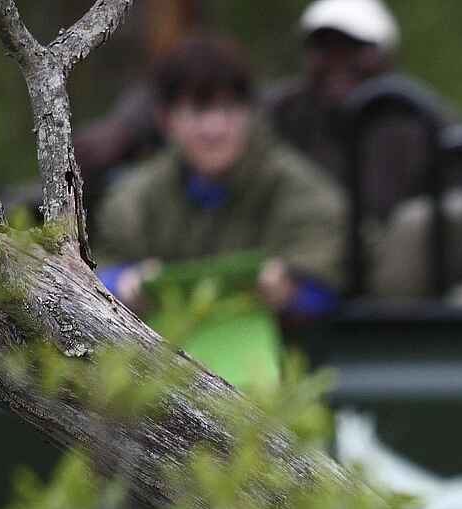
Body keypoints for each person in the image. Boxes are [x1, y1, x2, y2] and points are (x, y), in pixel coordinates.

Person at [95, 33, 351, 321]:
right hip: (155, 354)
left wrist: (290, 291)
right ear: (165, 119)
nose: (215, 128)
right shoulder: (133, 198)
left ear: (251, 113)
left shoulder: (305, 191)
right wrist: (123, 284)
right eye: (198, 110)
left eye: (229, 109)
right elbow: (95, 273)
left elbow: (330, 286)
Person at [262, 0, 462, 265]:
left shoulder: (424, 120)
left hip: (396, 276)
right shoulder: (282, 114)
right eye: (324, 48)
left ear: (386, 54)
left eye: (355, 48)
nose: (338, 60)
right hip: (307, 263)